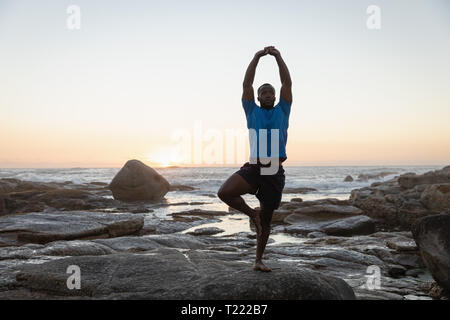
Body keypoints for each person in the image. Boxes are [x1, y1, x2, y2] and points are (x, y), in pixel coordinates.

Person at [217, 46, 292, 272]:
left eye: (271, 92)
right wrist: (256, 57)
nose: (268, 94)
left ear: (275, 97)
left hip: (274, 170)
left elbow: (287, 84)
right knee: (224, 192)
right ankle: (252, 214)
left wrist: (278, 57)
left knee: (267, 222)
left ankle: (258, 260)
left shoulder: (283, 110)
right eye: (264, 92)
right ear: (258, 97)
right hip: (255, 166)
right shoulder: (251, 110)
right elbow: (246, 84)